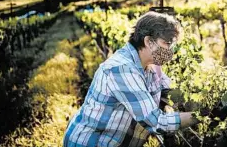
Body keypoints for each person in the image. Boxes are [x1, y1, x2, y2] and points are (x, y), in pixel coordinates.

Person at [63, 11, 200, 147]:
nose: (170, 50)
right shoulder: (122, 69)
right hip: (89, 142)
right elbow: (158, 122)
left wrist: (200, 98)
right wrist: (202, 115)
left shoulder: (151, 66)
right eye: (167, 43)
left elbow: (169, 92)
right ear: (148, 42)